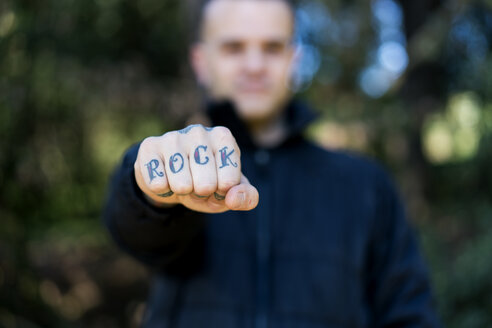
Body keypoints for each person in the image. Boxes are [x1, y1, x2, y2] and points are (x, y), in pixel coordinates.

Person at [103, 0, 442, 327]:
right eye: (234, 47)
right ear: (200, 62)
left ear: (294, 59)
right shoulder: (184, 168)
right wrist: (150, 192)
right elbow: (135, 231)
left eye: (272, 47)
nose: (254, 65)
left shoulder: (366, 185)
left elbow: (409, 313)